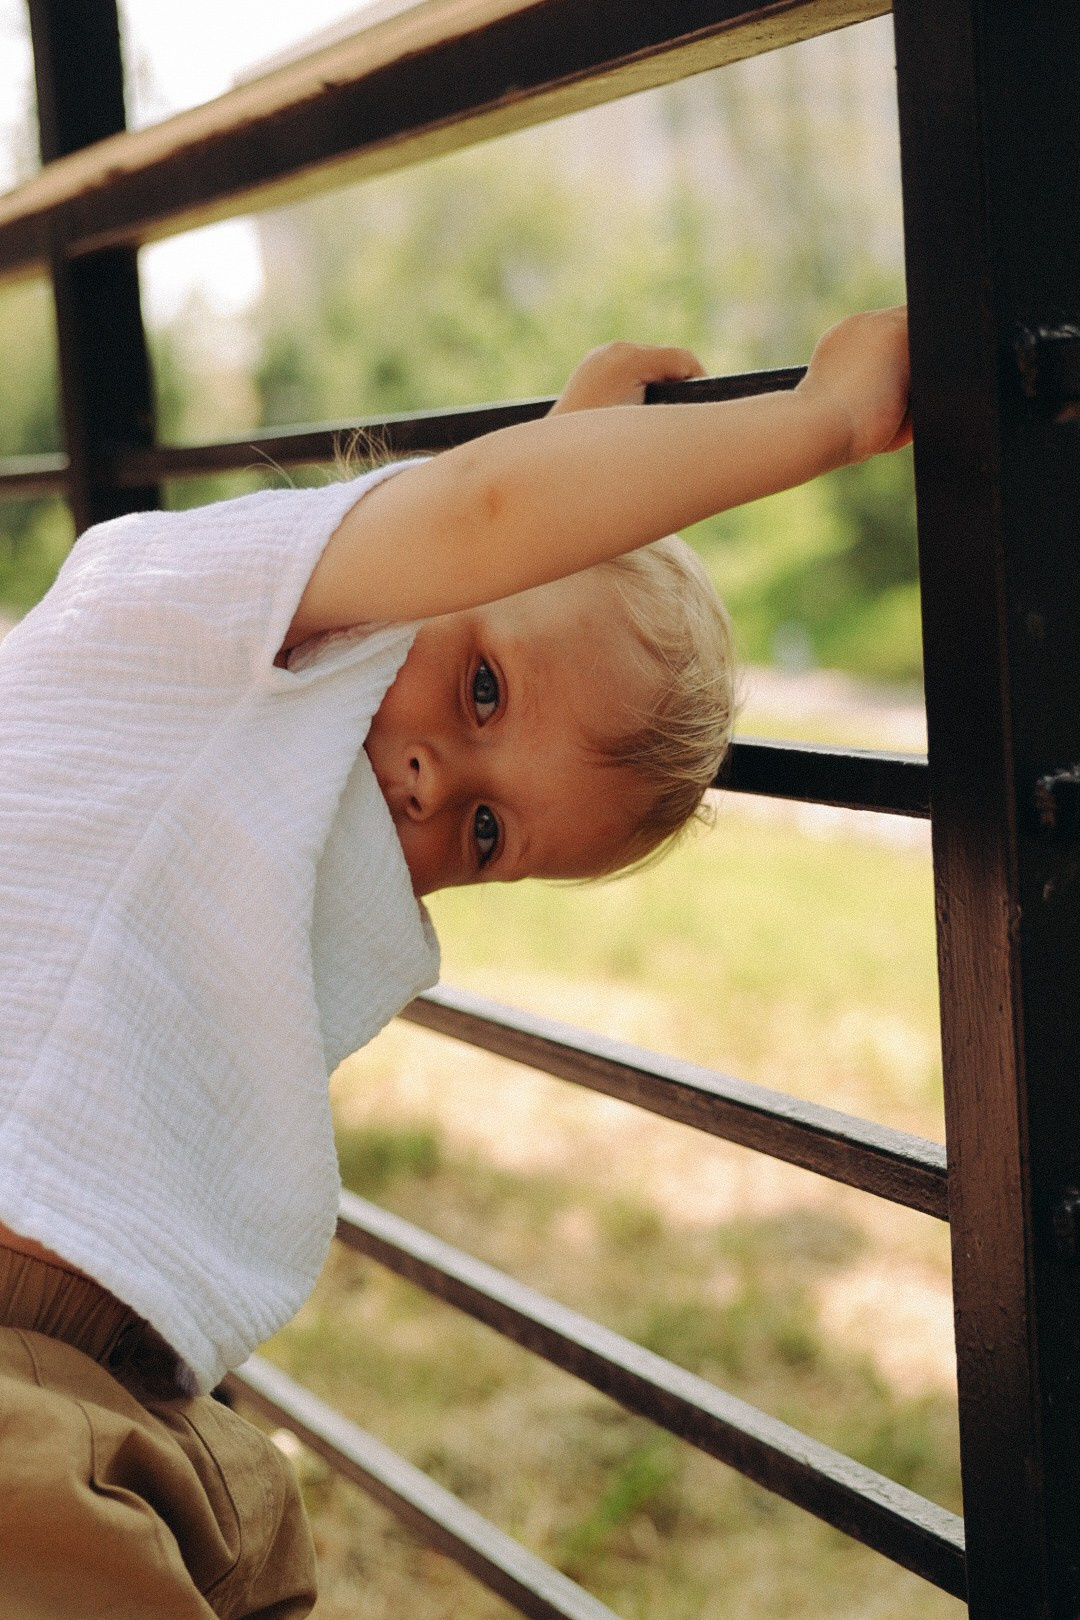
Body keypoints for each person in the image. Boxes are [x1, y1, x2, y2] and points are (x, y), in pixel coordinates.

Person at [0, 307, 910, 1617]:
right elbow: (478, 519)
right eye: (481, 692)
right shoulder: (205, 604)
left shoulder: (300, 755)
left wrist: (568, 455)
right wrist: (822, 421)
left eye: (491, 833)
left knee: (254, 1558)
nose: (435, 785)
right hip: (22, 1361)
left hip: (116, 1376)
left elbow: (489, 562)